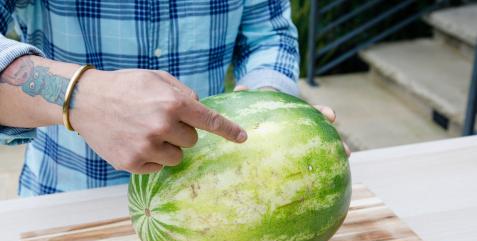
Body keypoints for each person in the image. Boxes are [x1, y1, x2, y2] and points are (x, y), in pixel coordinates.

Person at [0, 0, 346, 197]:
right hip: (67, 202)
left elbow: (269, 36)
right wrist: (78, 94)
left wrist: (270, 118)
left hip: (219, 199)